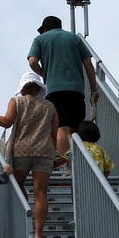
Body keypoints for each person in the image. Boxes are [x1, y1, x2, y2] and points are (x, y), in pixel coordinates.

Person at [0, 72, 58, 238]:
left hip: (21, 150)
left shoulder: (17, 101)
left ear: (22, 87)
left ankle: (24, 220)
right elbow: (54, 132)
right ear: (39, 88)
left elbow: (7, 122)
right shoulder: (50, 106)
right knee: (41, 193)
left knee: (18, 185)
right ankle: (38, 233)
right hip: (44, 152)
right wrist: (53, 153)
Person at [27, 15, 99, 162]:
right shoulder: (75, 38)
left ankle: (67, 165)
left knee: (61, 128)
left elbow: (32, 61)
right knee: (75, 130)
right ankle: (80, 163)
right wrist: (93, 89)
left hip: (55, 90)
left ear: (45, 29)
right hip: (77, 90)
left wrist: (45, 74)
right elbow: (88, 64)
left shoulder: (40, 39)